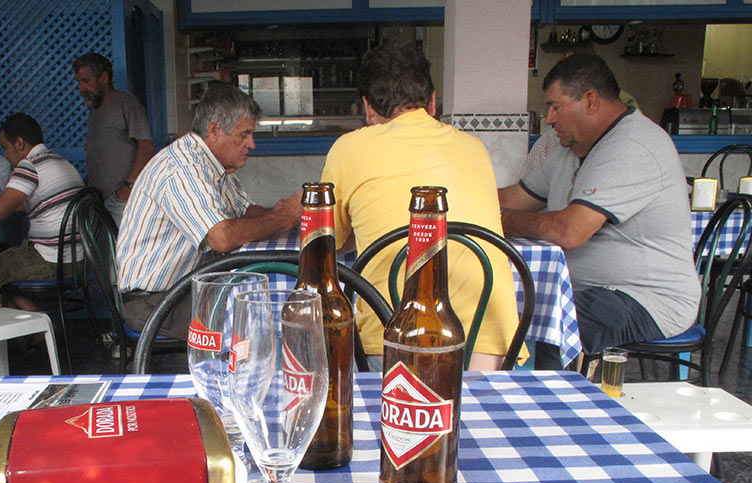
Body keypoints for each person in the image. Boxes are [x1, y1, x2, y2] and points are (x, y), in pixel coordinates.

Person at [320, 40, 521, 370]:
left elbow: (333, 241)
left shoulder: (348, 149)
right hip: (489, 342)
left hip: (397, 335)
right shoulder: (475, 147)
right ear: (432, 102)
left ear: (368, 108)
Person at [499, 54, 699, 370]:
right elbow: (516, 196)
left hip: (646, 298)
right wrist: (459, 200)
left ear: (590, 100)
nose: (549, 118)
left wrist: (502, 221)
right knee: (501, 308)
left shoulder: (634, 145)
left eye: (555, 107)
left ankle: (553, 414)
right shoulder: (571, 147)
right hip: (588, 289)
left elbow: (570, 231)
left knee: (556, 327)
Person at [116, 83, 300, 339]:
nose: (252, 144)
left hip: (186, 285)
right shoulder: (181, 169)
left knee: (261, 292)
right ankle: (246, 375)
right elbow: (222, 237)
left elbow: (245, 211)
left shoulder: (210, 163)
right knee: (254, 314)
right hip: (155, 302)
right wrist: (282, 218)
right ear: (215, 130)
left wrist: (284, 212)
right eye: (244, 135)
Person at [0, 113, 83, 309]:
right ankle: (36, 324)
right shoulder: (59, 162)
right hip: (78, 259)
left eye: (6, 147)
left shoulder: (30, 166)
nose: (5, 154)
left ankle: (16, 335)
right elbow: (19, 204)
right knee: (7, 269)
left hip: (52, 262)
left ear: (20, 143)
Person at [73, 52, 154, 225]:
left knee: (122, 250)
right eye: (79, 82)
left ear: (103, 77)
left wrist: (129, 187)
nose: (81, 87)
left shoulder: (125, 101)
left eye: (86, 81)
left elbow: (146, 145)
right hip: (98, 199)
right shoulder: (94, 110)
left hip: (122, 199)